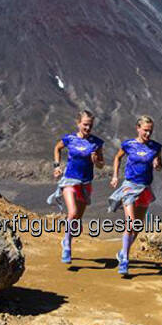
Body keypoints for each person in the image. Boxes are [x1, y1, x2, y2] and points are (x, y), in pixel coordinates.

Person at [107, 115, 162, 277]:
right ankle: (124, 260)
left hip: (145, 188)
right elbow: (117, 158)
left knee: (137, 226)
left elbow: (159, 166)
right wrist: (115, 176)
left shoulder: (155, 147)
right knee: (130, 223)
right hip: (129, 187)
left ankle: (122, 252)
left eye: (150, 131)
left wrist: (157, 164)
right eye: (145, 130)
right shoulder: (128, 145)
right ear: (138, 128)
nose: (148, 134)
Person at [47, 110, 104, 264]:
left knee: (77, 218)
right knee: (72, 212)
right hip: (69, 180)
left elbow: (101, 165)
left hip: (85, 183)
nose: (87, 128)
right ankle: (67, 245)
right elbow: (57, 148)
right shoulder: (70, 139)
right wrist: (57, 166)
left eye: (90, 125)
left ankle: (68, 238)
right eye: (85, 124)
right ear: (78, 123)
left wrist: (96, 161)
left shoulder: (96, 142)